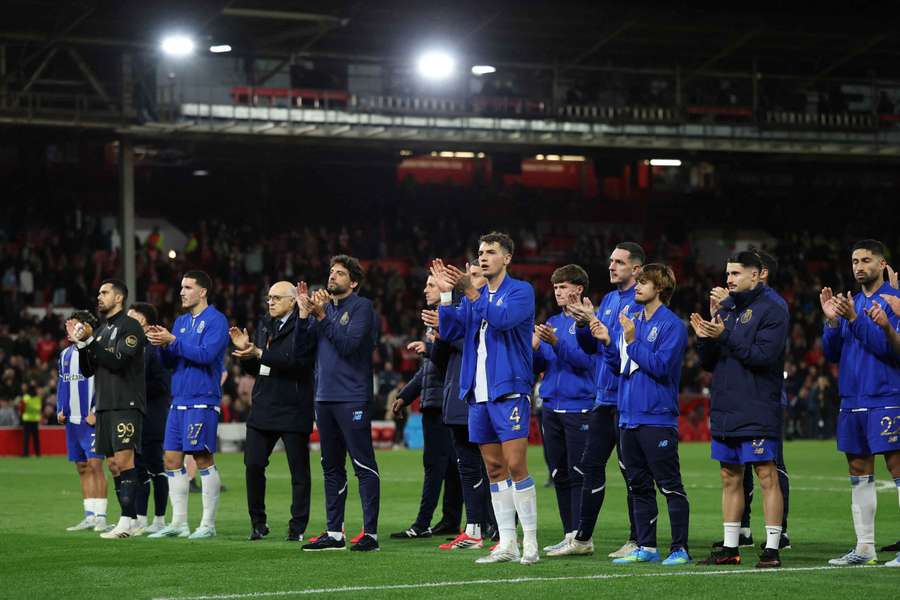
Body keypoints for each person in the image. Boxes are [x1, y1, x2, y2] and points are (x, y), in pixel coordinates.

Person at [432, 231, 538, 565]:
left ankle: (530, 542)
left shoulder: (520, 292)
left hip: (508, 389)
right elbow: (449, 333)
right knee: (493, 469)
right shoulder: (475, 297)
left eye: (490, 252)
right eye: (480, 252)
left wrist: (471, 291)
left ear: (507, 257)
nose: (483, 257)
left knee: (516, 465)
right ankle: (507, 543)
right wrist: (449, 296)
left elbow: (502, 319)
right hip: (478, 393)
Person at [692, 251, 789, 568]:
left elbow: (762, 357)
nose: (729, 279)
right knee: (729, 476)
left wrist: (725, 334)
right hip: (726, 406)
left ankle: (772, 548)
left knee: (765, 475)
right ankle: (730, 547)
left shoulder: (773, 309)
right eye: (728, 273)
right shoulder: (728, 308)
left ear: (757, 275)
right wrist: (705, 337)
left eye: (735, 273)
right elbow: (708, 362)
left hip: (757, 405)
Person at [592, 264, 691, 565]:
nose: (637, 286)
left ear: (659, 288)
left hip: (657, 417)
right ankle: (646, 547)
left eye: (644, 282)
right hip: (627, 416)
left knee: (670, 485)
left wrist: (632, 341)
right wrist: (609, 343)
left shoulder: (672, 326)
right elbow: (619, 366)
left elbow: (661, 366)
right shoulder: (631, 320)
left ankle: (679, 548)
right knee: (638, 485)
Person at [819, 239, 900, 567]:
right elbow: (832, 354)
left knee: (896, 468)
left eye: (866, 260)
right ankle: (864, 547)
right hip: (852, 398)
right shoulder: (847, 302)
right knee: (858, 469)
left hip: (885, 397)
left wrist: (854, 319)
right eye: (854, 261)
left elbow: (889, 349)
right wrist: (833, 322)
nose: (858, 266)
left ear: (882, 265)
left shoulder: (894, 301)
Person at [295, 255, 381, 552]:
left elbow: (348, 345)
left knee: (362, 464)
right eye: (331, 271)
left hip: (352, 396)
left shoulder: (362, 308)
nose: (332, 276)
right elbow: (300, 351)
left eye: (340, 273)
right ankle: (334, 533)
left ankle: (370, 533)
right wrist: (304, 315)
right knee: (331, 467)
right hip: (324, 396)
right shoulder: (324, 309)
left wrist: (321, 317)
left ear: (353, 282)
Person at [564, 242, 643, 558]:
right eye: (611, 261)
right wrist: (584, 323)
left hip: (627, 398)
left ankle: (637, 538)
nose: (611, 266)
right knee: (590, 466)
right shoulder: (609, 299)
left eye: (619, 262)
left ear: (636, 269)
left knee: (631, 470)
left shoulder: (640, 301)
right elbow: (591, 347)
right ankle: (582, 539)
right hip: (603, 398)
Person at [146, 270, 229, 540]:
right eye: (181, 287)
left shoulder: (216, 320)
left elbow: (206, 355)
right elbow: (169, 363)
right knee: (170, 459)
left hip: (202, 400)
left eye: (188, 287)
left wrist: (173, 342)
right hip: (178, 399)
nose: (182, 292)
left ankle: (208, 524)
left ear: (202, 291)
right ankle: (179, 523)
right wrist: (161, 345)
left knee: (202, 457)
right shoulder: (181, 321)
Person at [230, 281, 315, 542]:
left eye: (277, 298)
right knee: (253, 465)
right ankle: (258, 523)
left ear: (292, 301)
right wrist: (247, 355)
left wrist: (259, 352)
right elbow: (259, 369)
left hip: (293, 406)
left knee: (298, 472)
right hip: (264, 405)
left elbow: (296, 362)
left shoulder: (306, 325)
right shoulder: (265, 324)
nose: (271, 302)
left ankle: (297, 526)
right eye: (269, 298)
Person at [424, 267, 498, 551]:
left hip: (488, 395)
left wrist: (444, 331)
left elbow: (473, 341)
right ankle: (475, 529)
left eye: (477, 273)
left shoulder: (498, 304)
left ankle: (503, 529)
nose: (470, 277)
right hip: (459, 395)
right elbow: (440, 357)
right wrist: (438, 335)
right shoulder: (460, 306)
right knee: (468, 468)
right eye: (469, 272)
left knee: (496, 466)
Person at [67, 279, 146, 539]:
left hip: (126, 403)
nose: (99, 296)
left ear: (119, 298)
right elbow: (89, 368)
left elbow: (118, 360)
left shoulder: (130, 326)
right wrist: (80, 344)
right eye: (98, 292)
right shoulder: (101, 330)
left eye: (104, 292)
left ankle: (125, 520)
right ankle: (132, 520)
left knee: (124, 460)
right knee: (113, 464)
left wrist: (90, 341)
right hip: (104, 404)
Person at [390, 274, 462, 540]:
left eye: (431, 284)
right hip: (437, 400)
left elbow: (452, 357)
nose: (425, 289)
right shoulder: (437, 319)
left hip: (445, 402)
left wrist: (431, 347)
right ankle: (452, 520)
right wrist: (405, 395)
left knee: (436, 465)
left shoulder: (451, 318)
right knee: (453, 467)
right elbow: (427, 371)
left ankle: (422, 523)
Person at [530, 264, 594, 556]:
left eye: (564, 287)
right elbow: (541, 366)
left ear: (578, 290)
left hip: (579, 406)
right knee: (559, 473)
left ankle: (583, 538)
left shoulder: (590, 321)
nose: (558, 292)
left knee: (578, 472)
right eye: (555, 287)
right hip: (551, 406)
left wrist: (555, 343)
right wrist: (533, 349)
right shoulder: (552, 321)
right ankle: (569, 534)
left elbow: (585, 361)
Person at [57, 316, 108, 532]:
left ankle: (101, 517)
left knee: (96, 465)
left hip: (91, 420)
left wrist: (96, 410)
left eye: (74, 325)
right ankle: (89, 516)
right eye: (68, 325)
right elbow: (62, 382)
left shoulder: (96, 352)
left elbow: (106, 384)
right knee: (82, 467)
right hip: (73, 421)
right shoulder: (65, 354)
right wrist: (61, 408)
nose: (69, 329)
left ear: (86, 328)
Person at [127, 302, 171, 535]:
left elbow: (163, 384)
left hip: (153, 414)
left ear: (145, 320)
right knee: (139, 468)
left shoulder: (156, 346)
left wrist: (135, 387)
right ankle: (140, 518)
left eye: (133, 315)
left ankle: (161, 519)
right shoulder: (135, 346)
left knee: (155, 467)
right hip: (135, 414)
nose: (128, 318)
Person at [20, 381, 42, 457]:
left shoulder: (25, 397)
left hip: (27, 419)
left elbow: (22, 408)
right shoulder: (38, 398)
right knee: (36, 438)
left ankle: (25, 453)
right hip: (35, 420)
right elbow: (39, 408)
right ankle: (38, 453)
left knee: (26, 438)